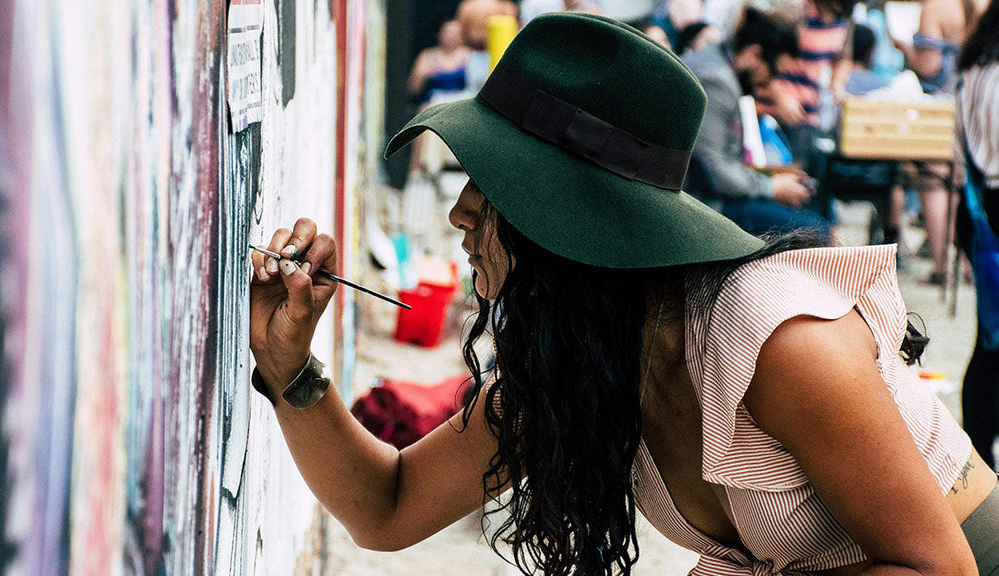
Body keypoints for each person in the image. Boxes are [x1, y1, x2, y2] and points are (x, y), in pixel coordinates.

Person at [249, 13, 999, 575]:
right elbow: (388, 506)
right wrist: (289, 367)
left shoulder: (776, 337)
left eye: (497, 184)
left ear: (579, 222)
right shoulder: (591, 358)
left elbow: (940, 570)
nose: (461, 211)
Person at [682, 8, 832, 240]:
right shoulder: (716, 81)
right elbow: (711, 170)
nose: (772, 82)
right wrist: (771, 188)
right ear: (754, 54)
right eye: (774, 72)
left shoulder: (717, 63)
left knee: (811, 204)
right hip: (705, 206)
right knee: (816, 232)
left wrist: (774, 179)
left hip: (711, 197)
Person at [893, 0, 982, 284]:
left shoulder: (936, 7)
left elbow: (929, 66)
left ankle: (944, 268)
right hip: (983, 105)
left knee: (934, 180)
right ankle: (972, 266)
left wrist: (906, 49)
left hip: (945, 109)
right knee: (967, 183)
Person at [956, 0, 999, 472]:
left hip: (978, 208)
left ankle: (978, 449)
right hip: (995, 206)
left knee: (988, 336)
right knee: (991, 341)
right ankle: (980, 450)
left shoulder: (972, 69)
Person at [407, 18, 469, 109]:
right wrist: (422, 75)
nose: (451, 36)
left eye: (455, 33)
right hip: (432, 105)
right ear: (439, 33)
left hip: (462, 104)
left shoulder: (470, 55)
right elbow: (413, 90)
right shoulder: (427, 55)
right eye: (447, 32)